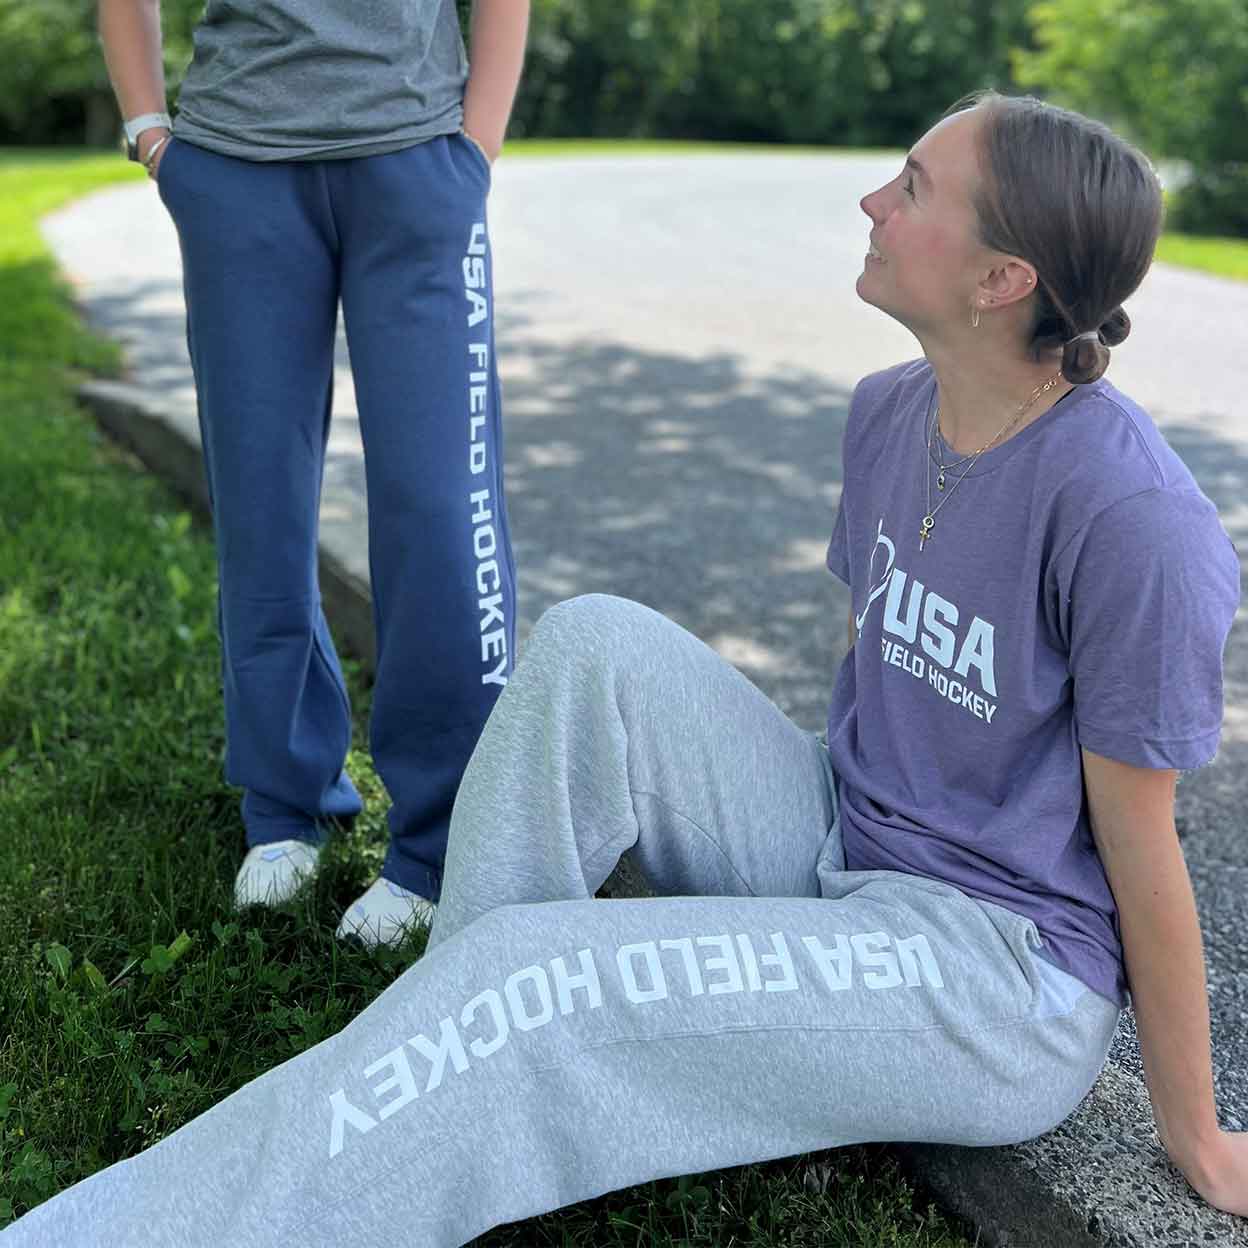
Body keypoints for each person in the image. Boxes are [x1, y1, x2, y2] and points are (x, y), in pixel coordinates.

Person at [5, 90, 1246, 1246]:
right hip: (845, 836)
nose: (873, 202)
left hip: (995, 967)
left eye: (913, 188)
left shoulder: (1135, 519)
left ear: (1001, 279)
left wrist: (1192, 1131)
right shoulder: (889, 409)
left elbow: (1144, 845)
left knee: (541, 983)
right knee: (592, 639)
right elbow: (881, 682)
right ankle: (440, 1055)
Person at [97, 0, 529, 946]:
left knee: (439, 512)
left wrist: (475, 148)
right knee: (260, 506)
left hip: (415, 164)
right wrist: (150, 133)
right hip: (235, 173)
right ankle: (286, 806)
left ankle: (442, 845)